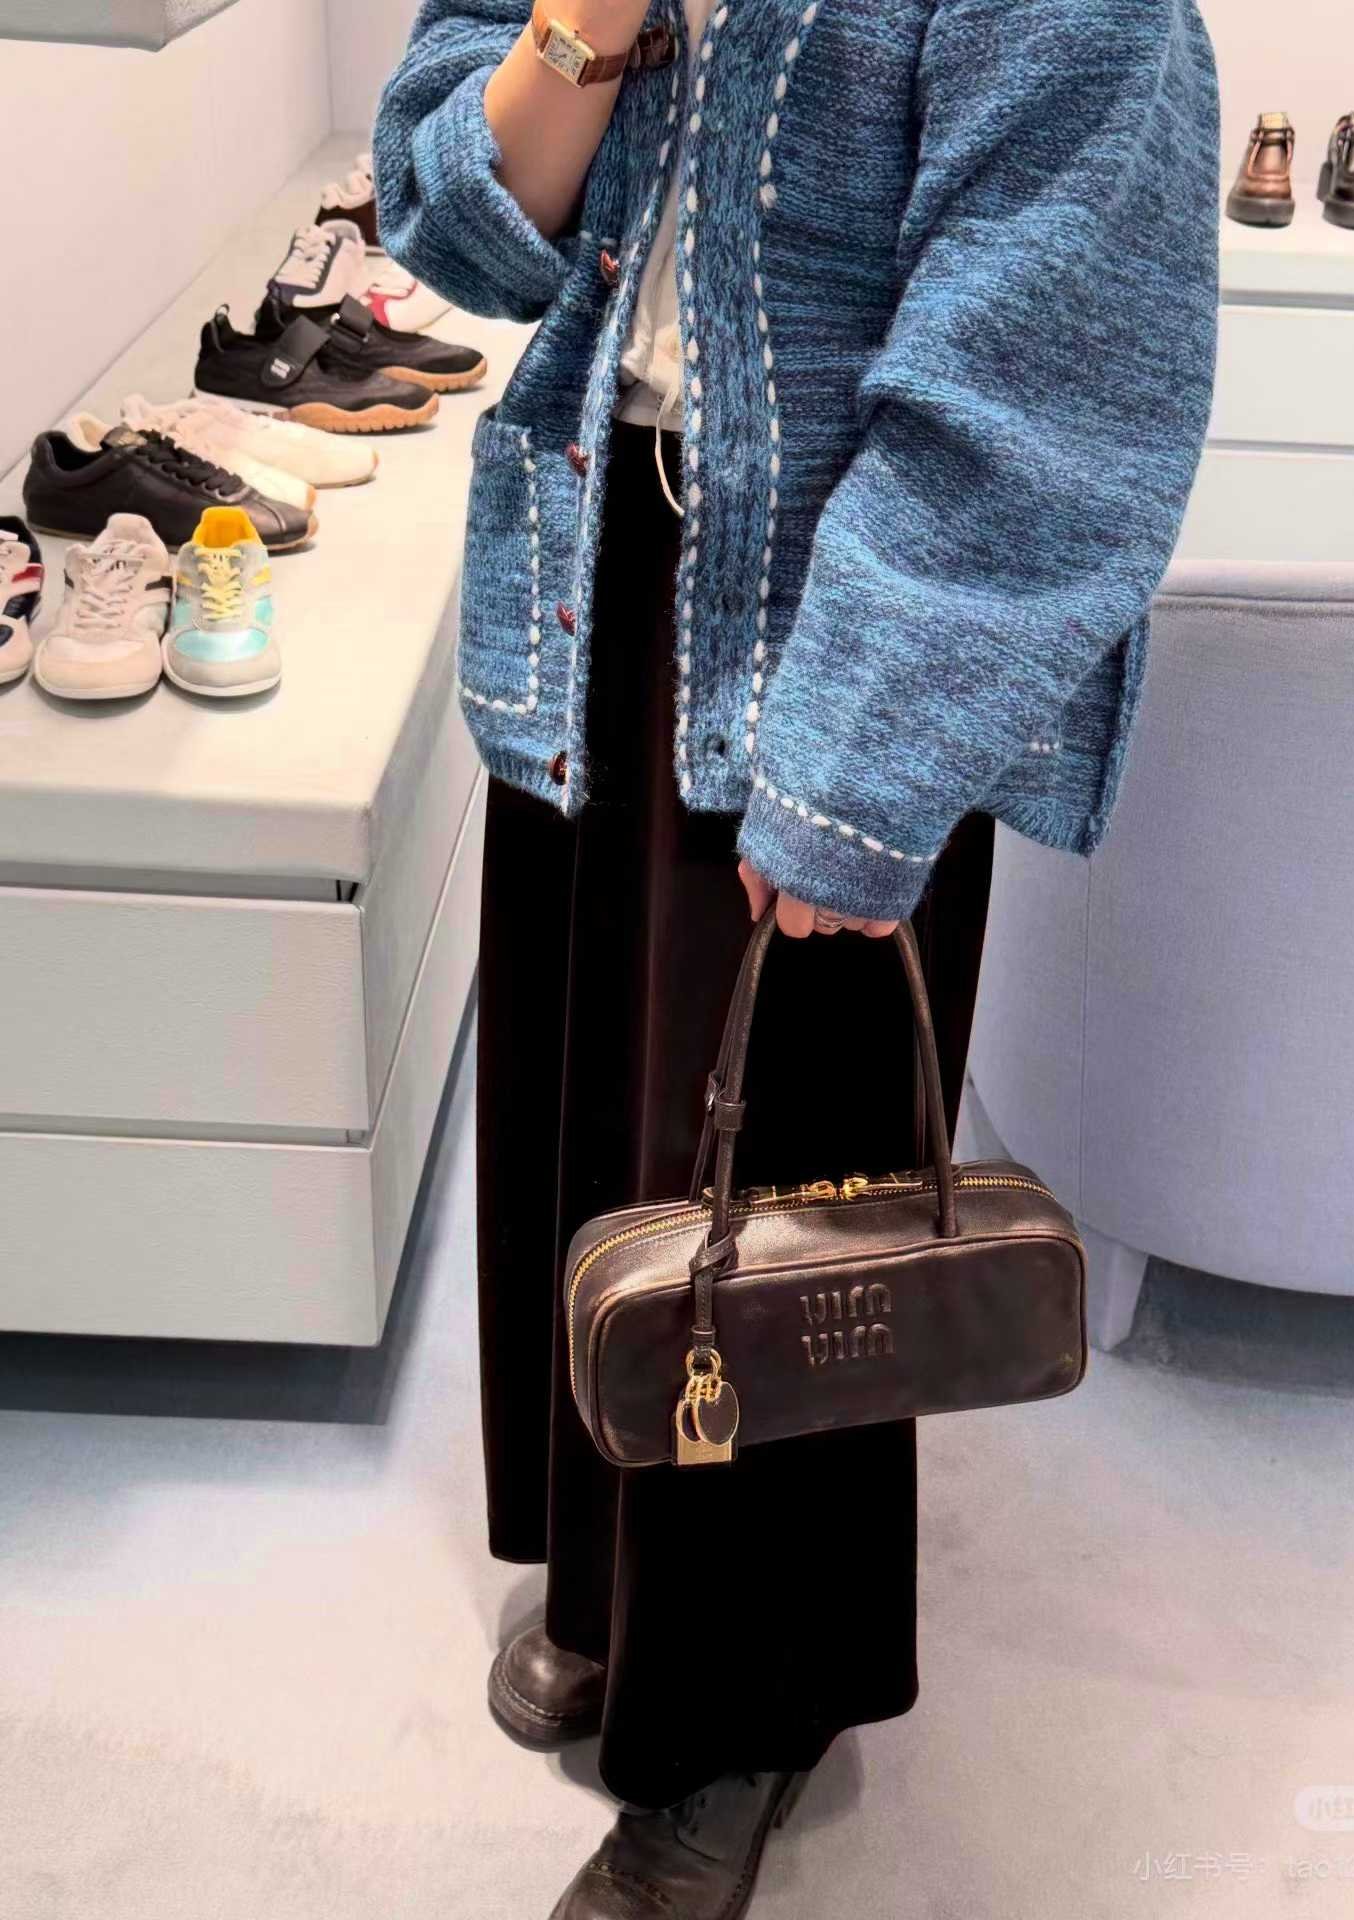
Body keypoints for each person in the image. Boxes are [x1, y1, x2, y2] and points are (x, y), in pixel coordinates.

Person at [374, 0, 1218, 1911]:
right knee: (607, 1136)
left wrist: (865, 766)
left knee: (782, 1203)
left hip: (838, 627)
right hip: (598, 567)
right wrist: (590, 23)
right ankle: (617, 1591)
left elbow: (1052, 375)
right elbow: (446, 215)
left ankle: (739, 1721)